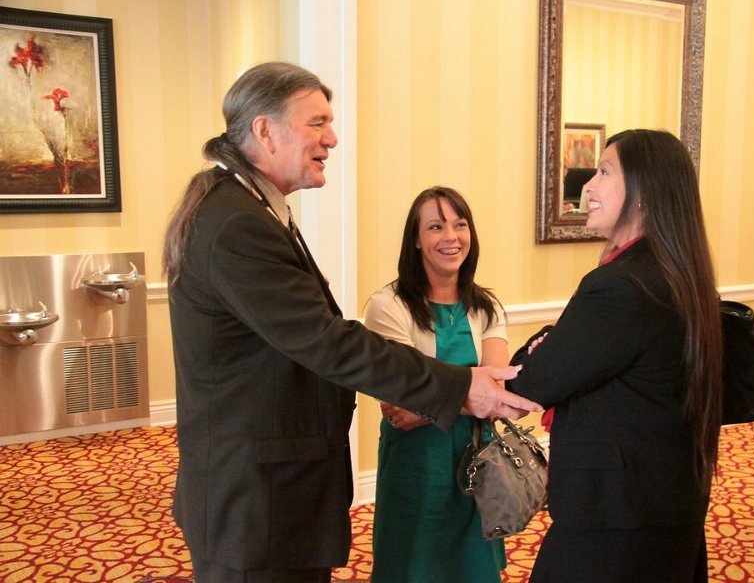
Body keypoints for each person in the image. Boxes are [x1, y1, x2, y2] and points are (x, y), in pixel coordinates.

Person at [161, 62, 540, 583]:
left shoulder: (251, 209)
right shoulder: (237, 223)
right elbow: (325, 341)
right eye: (317, 123)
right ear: (265, 130)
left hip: (274, 488)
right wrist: (459, 386)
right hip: (255, 497)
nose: (332, 139)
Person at [507, 129, 723, 582]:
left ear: (644, 192)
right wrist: (557, 342)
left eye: (604, 172)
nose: (588, 185)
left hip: (617, 515)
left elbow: (535, 380)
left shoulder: (622, 284)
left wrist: (545, 346)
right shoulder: (675, 270)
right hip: (664, 496)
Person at [365, 187, 509, 582]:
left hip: (477, 459)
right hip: (416, 462)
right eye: (435, 227)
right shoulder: (388, 306)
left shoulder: (487, 307)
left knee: (473, 569)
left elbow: (496, 393)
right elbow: (399, 406)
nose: (451, 237)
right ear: (415, 239)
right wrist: (475, 393)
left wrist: (432, 403)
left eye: (460, 225)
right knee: (412, 566)